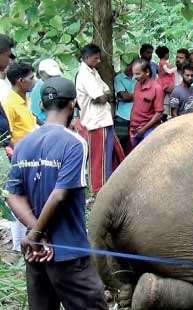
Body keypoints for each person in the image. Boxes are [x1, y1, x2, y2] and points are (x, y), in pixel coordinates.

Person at [5, 76, 108, 310]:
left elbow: (12, 195)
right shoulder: (74, 143)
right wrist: (37, 233)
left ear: (41, 106)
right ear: (73, 104)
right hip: (68, 254)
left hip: (36, 254)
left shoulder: (23, 145)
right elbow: (60, 195)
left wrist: (34, 233)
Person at [75, 43, 125, 196]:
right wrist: (103, 97)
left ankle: (111, 186)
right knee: (99, 158)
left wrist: (104, 96)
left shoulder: (93, 71)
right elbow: (100, 97)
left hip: (103, 119)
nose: (98, 61)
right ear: (86, 58)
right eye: (95, 58)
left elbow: (106, 92)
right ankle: (98, 191)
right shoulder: (84, 74)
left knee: (113, 153)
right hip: (95, 122)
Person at [3, 62, 37, 252]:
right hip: (19, 158)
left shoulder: (24, 99)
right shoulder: (9, 103)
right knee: (18, 198)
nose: (34, 81)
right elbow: (7, 135)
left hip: (31, 155)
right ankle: (17, 246)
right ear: (20, 81)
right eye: (31, 78)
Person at [130, 59, 164, 146]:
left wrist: (144, 129)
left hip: (148, 130)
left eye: (138, 74)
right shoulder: (137, 85)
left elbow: (159, 114)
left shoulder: (157, 88)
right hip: (135, 129)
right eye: (133, 74)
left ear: (147, 72)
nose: (134, 77)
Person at [114, 58, 137, 155]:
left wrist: (128, 95)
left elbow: (126, 96)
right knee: (120, 144)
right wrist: (137, 95)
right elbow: (125, 96)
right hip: (122, 116)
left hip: (136, 116)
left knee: (134, 145)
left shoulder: (138, 77)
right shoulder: (118, 78)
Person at [29, 59, 62, 125]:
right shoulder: (39, 87)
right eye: (51, 76)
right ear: (41, 73)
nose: (54, 78)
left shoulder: (53, 84)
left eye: (56, 76)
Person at [155, 46, 177, 120]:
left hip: (163, 82)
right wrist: (174, 68)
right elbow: (168, 71)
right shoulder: (163, 62)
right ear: (165, 54)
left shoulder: (161, 62)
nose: (168, 55)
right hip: (165, 83)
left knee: (163, 100)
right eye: (168, 54)